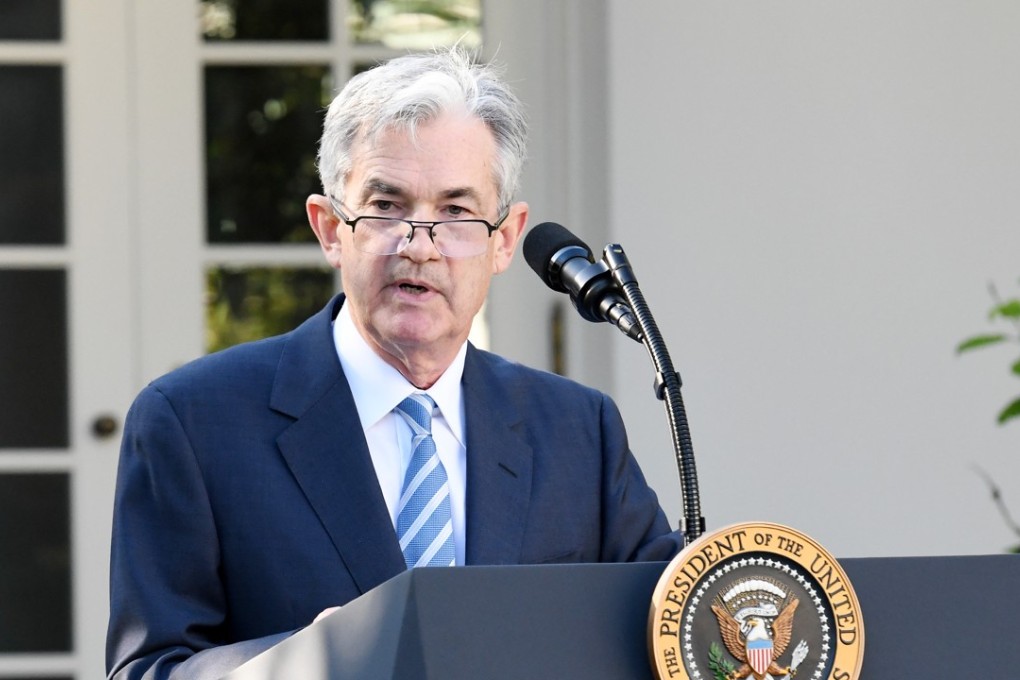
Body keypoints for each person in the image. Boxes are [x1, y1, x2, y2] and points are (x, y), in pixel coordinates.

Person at [106, 48, 682, 679]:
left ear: (505, 240)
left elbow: (665, 630)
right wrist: (296, 664)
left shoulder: (578, 430)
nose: (420, 246)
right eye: (387, 207)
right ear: (330, 228)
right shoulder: (192, 423)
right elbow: (149, 669)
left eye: (456, 212)